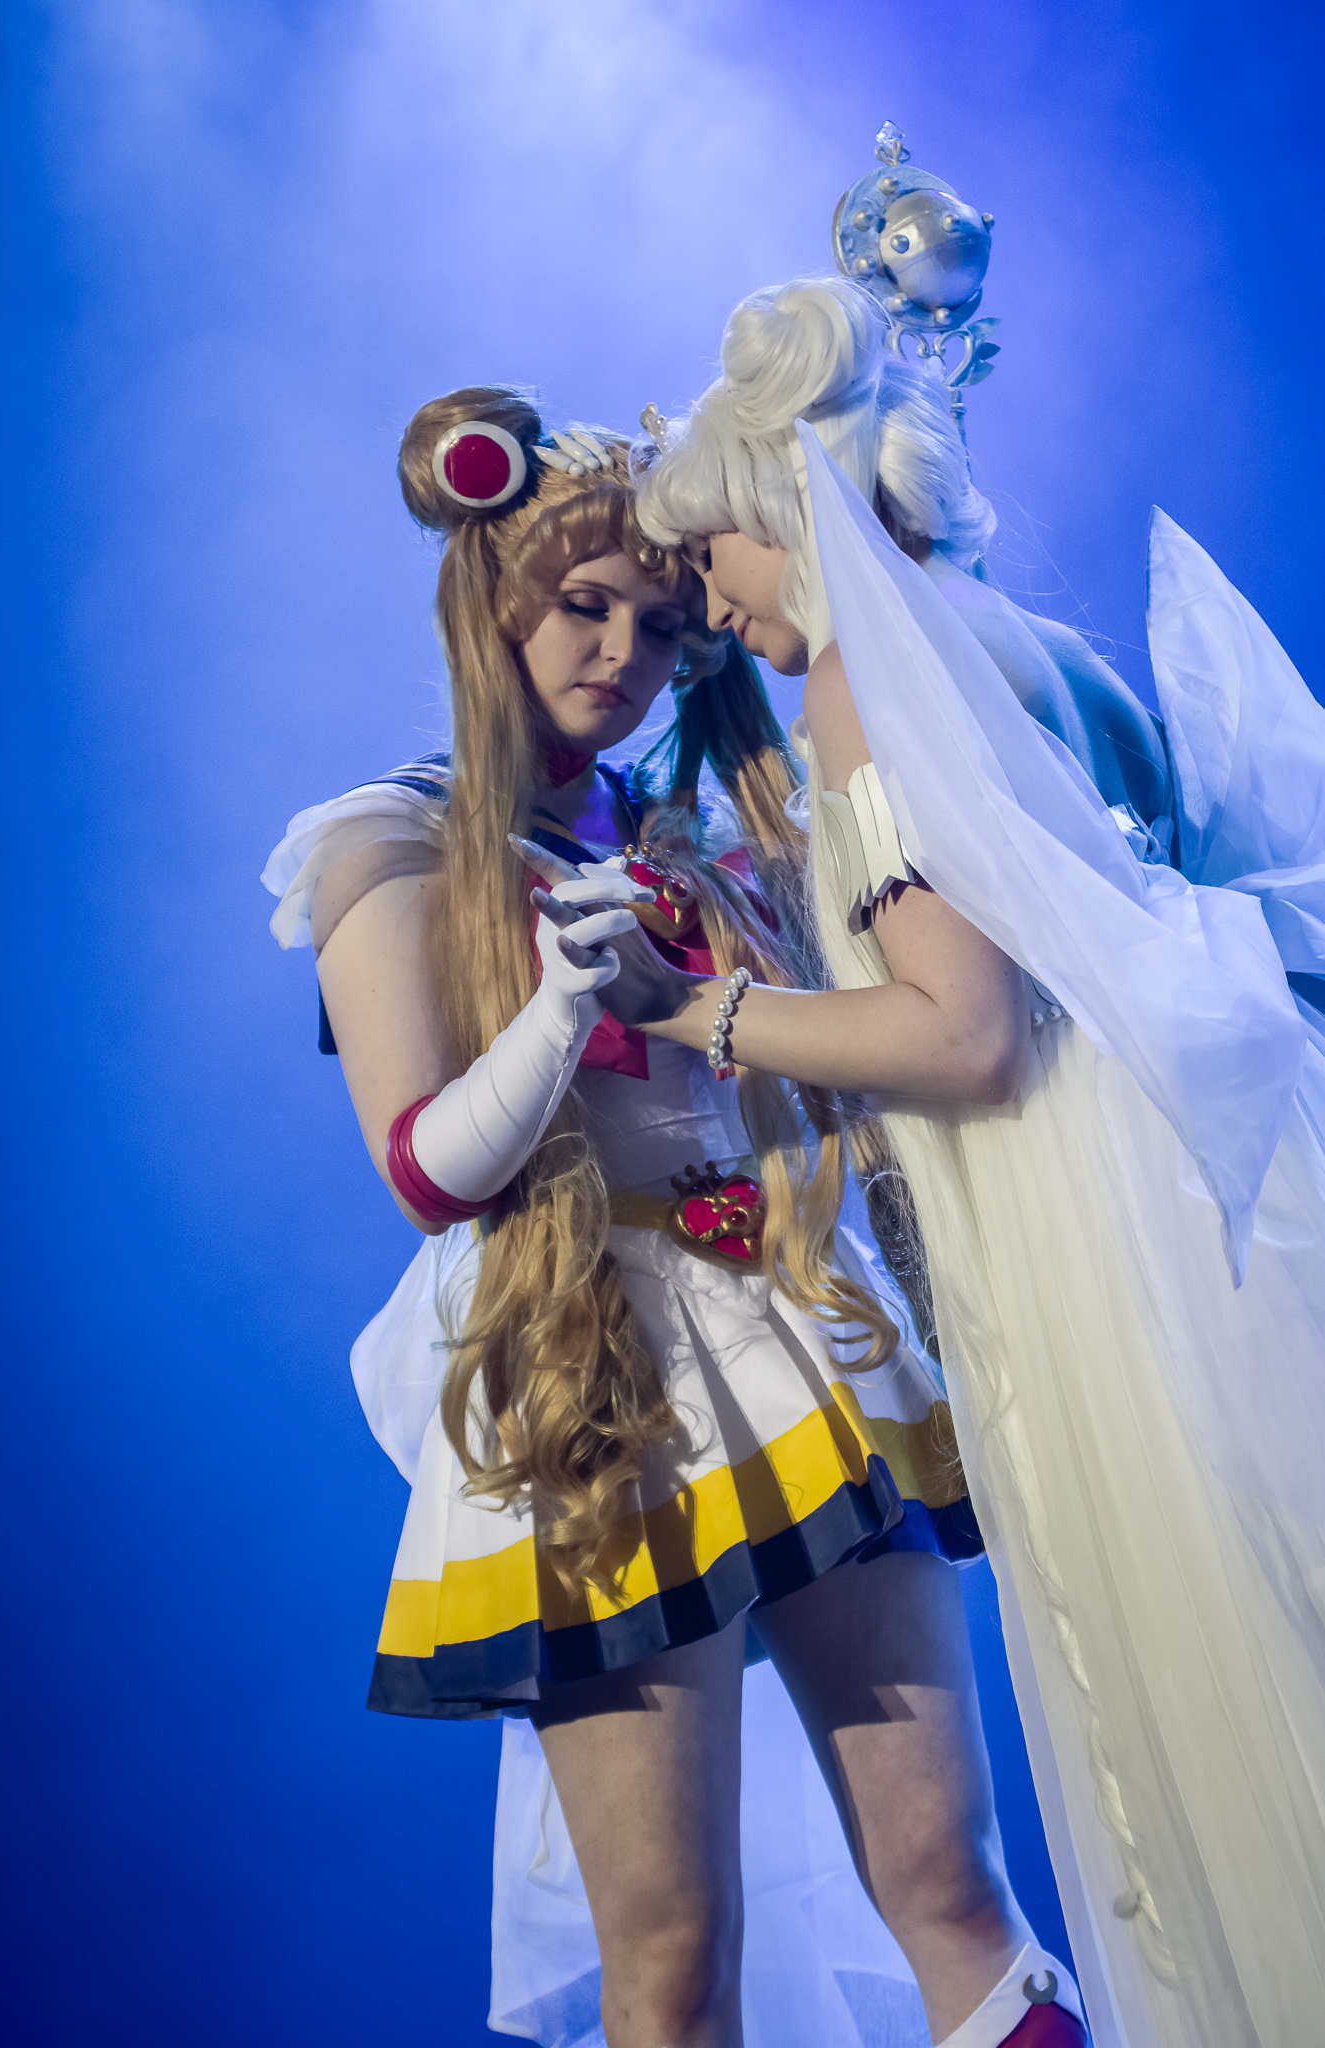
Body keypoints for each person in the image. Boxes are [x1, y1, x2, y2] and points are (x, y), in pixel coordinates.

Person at [527, 273, 1325, 2048]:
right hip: (1226, 1204)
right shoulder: (1032, 646)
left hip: (1098, 1231)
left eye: (706, 560)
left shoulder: (865, 685)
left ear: (780, 511)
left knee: (1206, 1711)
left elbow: (966, 1037)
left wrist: (691, 1008)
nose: (707, 609)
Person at [262, 387, 1082, 2048]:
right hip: (590, 1389)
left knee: (951, 1883)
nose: (622, 655)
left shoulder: (694, 826)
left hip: (798, 1338)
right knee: (672, 1960)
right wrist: (560, 1011)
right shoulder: (388, 840)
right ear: (492, 599)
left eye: (657, 625)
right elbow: (425, 1174)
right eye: (583, 606)